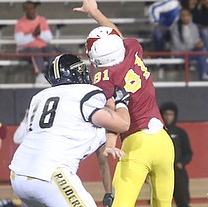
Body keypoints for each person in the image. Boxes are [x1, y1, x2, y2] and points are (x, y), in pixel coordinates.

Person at [73, 0, 175, 207]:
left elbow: (114, 117)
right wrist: (95, 13)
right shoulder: (132, 49)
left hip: (137, 143)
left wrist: (110, 141)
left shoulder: (104, 77)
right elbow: (115, 34)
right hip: (164, 143)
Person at [9, 53, 131, 207]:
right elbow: (122, 124)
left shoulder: (39, 97)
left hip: (18, 175)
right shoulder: (84, 93)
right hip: (49, 173)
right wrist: (121, 102)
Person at [14, 1, 59, 84]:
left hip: (42, 48)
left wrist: (39, 33)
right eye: (27, 9)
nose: (29, 11)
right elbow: (19, 41)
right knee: (35, 51)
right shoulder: (20, 23)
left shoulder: (42, 20)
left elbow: (48, 38)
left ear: (34, 9)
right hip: (25, 50)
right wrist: (33, 34)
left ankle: (51, 74)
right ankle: (40, 75)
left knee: (50, 50)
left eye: (31, 8)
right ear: (24, 10)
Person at [160, 102, 193, 207]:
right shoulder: (158, 132)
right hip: (162, 172)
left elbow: (188, 153)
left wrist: (182, 163)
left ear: (175, 116)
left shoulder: (180, 133)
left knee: (183, 202)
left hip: (178, 173)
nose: (168, 117)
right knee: (161, 202)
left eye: (171, 114)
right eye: (166, 114)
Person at [170, 7, 208, 81]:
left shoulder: (194, 26)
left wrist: (199, 43)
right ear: (180, 17)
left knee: (203, 50)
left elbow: (196, 39)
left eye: (187, 15)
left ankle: (205, 73)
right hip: (180, 53)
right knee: (201, 52)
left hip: (192, 52)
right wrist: (194, 45)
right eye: (183, 15)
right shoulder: (175, 28)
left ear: (190, 16)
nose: (185, 17)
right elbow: (177, 47)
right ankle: (204, 74)